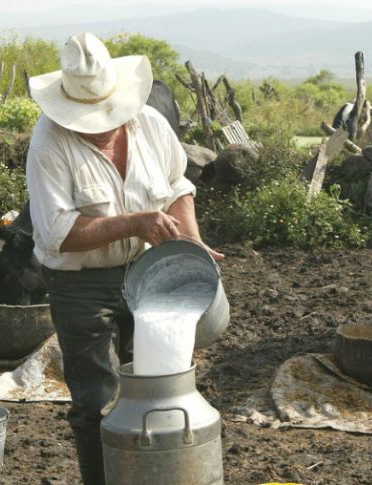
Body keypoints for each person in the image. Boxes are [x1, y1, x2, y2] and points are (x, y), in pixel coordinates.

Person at [25, 32, 224, 485]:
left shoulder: (150, 123)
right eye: (86, 118)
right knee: (96, 401)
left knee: (159, 389)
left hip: (148, 272)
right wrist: (134, 223)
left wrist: (189, 242)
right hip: (81, 285)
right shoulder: (49, 144)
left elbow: (177, 186)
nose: (98, 125)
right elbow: (61, 235)